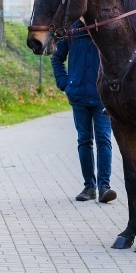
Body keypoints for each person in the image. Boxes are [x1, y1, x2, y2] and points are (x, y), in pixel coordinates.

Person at [51, 19, 116, 203]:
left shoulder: (103, 28)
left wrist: (111, 86)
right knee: (84, 140)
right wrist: (65, 84)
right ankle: (89, 187)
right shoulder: (70, 30)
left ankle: (104, 187)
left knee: (104, 139)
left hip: (102, 97)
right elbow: (56, 57)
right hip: (78, 95)